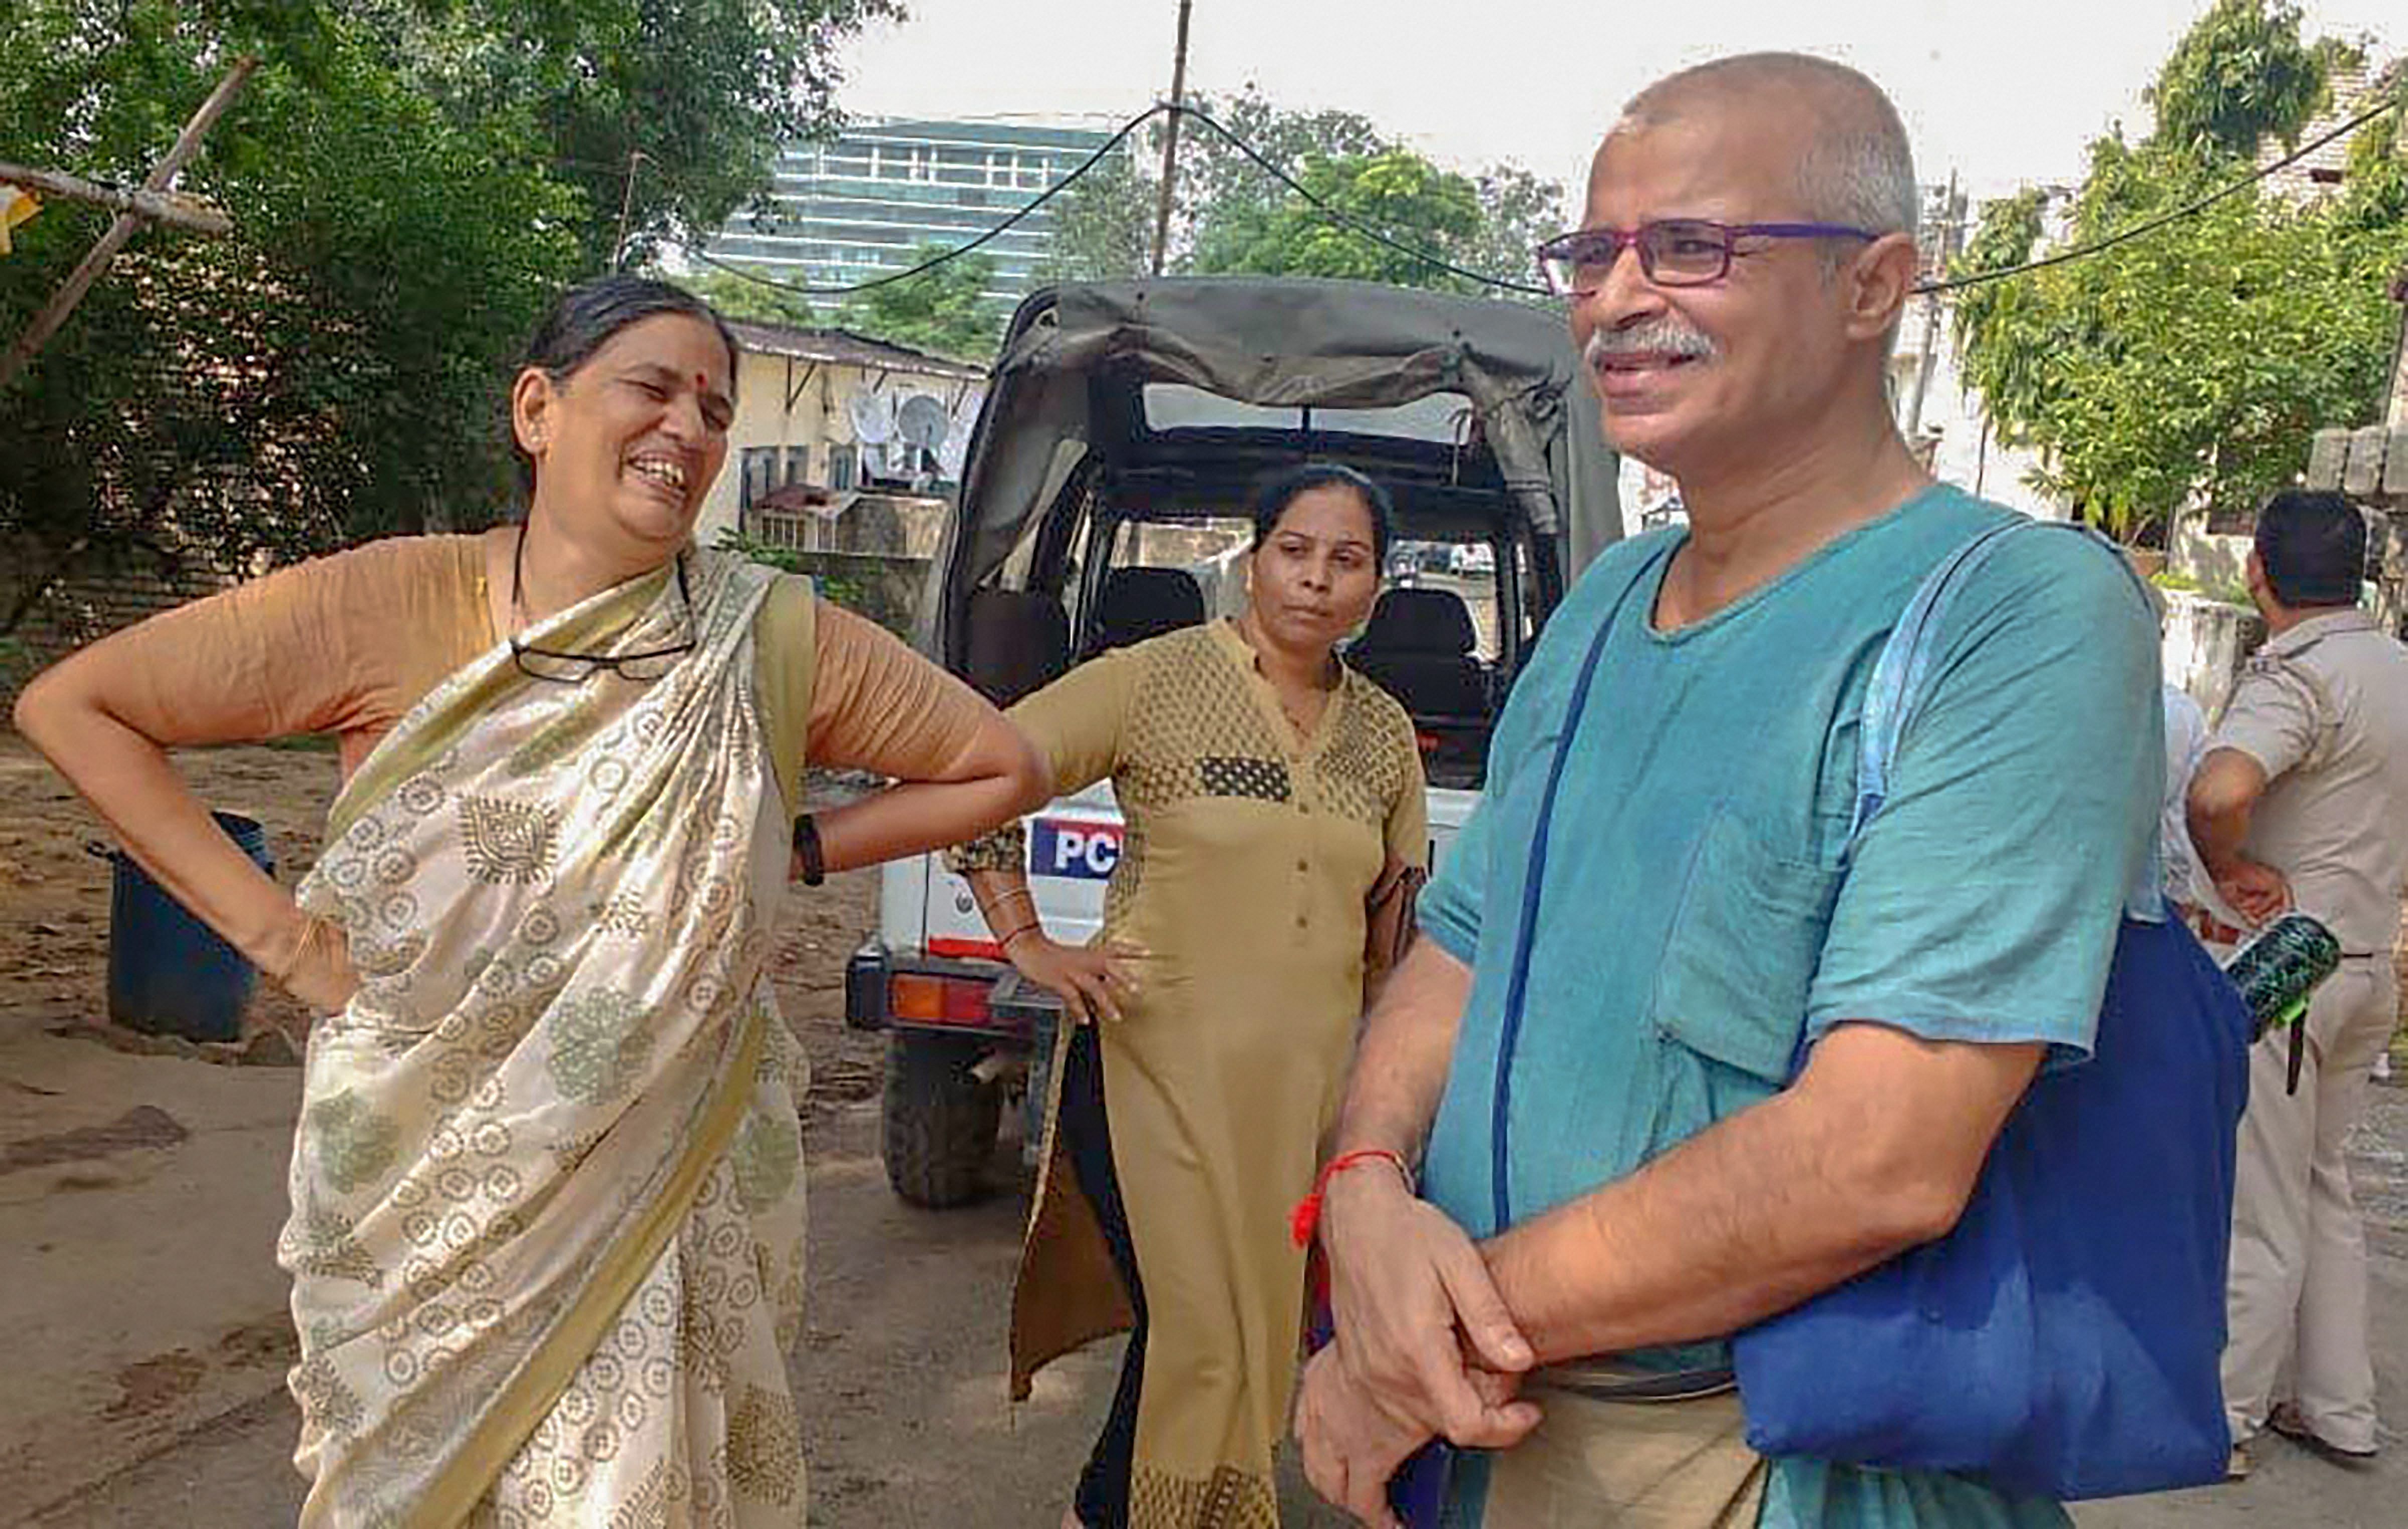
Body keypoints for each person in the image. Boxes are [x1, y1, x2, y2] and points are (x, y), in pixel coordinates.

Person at [11, 275, 1049, 1526]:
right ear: (537, 410)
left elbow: (1005, 767)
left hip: (666, 1165)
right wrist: (287, 944)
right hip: (417, 1182)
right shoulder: (392, 601)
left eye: (714, 409)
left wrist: (795, 846)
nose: (690, 430)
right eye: (652, 390)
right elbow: (78, 707)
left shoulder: (767, 639)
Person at [1292, 53, 2161, 1529]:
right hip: (1502, 1429)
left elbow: (1875, 1160)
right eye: (1592, 252)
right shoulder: (1608, 602)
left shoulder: (2015, 615)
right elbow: (1461, 949)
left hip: (1763, 1464)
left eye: (1690, 247)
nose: (1619, 299)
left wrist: (1414, 1342)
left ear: (1874, 285)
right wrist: (1367, 1188)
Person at [947, 464, 1428, 1528]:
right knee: (1203, 1336)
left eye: (1346, 561)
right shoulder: (1152, 681)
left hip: (1297, 1106)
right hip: (1149, 1074)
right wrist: (1027, 939)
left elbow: (1392, 939)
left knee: (1248, 1343)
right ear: (1250, 563)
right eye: (1294, 552)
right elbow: (971, 771)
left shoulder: (1385, 735)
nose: (1315, 581)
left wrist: (1381, 1111)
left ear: (1377, 589)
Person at [2186, 489, 2408, 1471]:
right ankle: (2339, 1409)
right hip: (2364, 963)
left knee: (2257, 1203)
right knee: (2324, 1191)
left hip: (2288, 969)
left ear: (2257, 574)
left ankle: (2222, 1419)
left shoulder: (2299, 675)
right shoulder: (2398, 669)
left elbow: (2219, 791)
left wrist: (2233, 867)